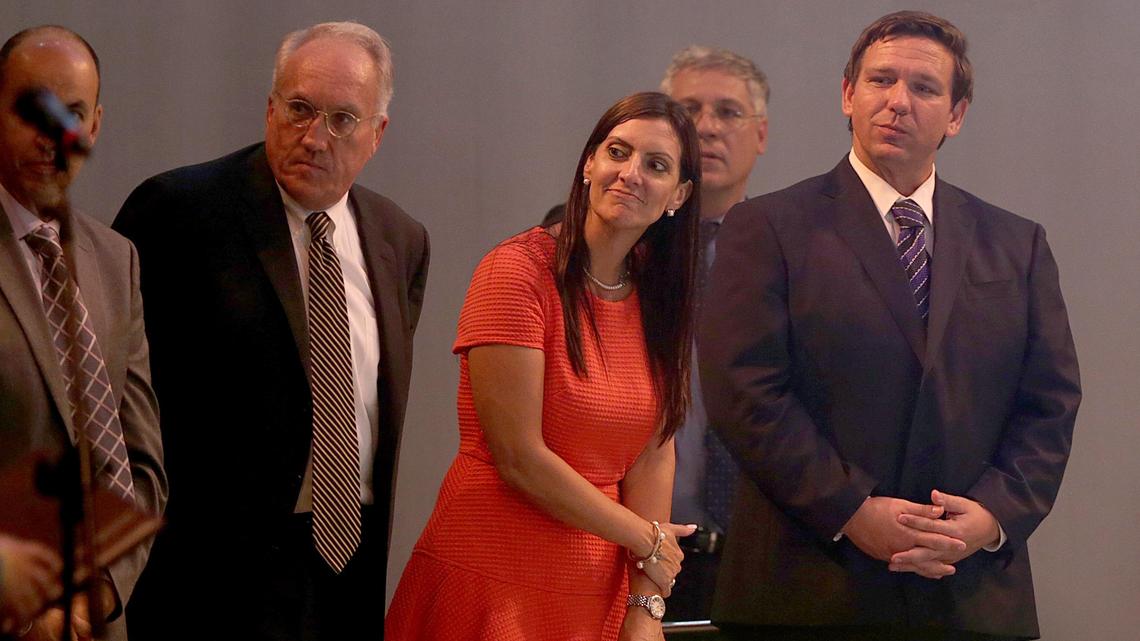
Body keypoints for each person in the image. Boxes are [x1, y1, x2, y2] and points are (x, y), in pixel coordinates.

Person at [699, 11, 1080, 641]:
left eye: (925, 88)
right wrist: (850, 509)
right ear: (848, 95)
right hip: (810, 588)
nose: (898, 101)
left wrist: (991, 516)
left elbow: (1051, 402)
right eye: (880, 81)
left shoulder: (1018, 244)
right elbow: (746, 394)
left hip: (971, 595)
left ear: (955, 115)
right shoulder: (769, 227)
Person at [112, 21, 429, 641]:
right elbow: (118, 400)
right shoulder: (177, 211)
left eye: (342, 119)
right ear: (270, 108)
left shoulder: (401, 240)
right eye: (300, 110)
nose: (315, 137)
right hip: (207, 580)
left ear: (377, 134)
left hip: (347, 565)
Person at [387, 91, 700, 641]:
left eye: (656, 165)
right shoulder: (516, 271)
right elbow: (519, 458)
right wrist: (646, 538)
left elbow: (654, 456)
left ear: (679, 194)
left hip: (591, 590)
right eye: (617, 152)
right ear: (589, 165)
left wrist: (646, 606)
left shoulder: (661, 297)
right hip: (489, 573)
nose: (630, 174)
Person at [0, 25, 166, 641]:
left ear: (94, 126)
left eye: (71, 114)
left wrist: (95, 595)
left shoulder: (115, 258)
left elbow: (141, 466)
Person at [656, 45, 768, 623]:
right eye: (689, 109)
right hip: (635, 543)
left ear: (762, 134)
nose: (707, 127)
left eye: (729, 112)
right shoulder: (618, 244)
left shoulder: (798, 254)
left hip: (762, 556)